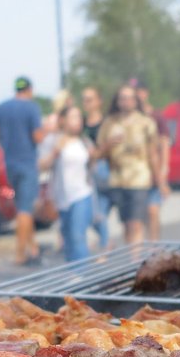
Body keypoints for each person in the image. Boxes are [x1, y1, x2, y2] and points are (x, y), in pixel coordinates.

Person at [96, 84, 165, 245]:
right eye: (122, 98)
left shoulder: (146, 123)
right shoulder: (110, 123)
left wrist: (160, 181)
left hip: (139, 178)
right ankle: (132, 257)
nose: (126, 102)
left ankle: (136, 261)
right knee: (127, 224)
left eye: (129, 98)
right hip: (118, 179)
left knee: (136, 223)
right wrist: (108, 145)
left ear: (135, 100)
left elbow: (153, 154)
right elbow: (98, 153)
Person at [0, 76, 45, 264]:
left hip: (10, 165)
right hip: (27, 164)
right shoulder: (32, 108)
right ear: (29, 90)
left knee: (22, 205)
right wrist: (46, 131)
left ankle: (33, 247)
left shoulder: (1, 108)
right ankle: (20, 254)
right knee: (25, 210)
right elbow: (37, 137)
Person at [38, 106, 94, 262]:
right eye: (73, 117)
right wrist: (55, 152)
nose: (78, 121)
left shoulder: (84, 140)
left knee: (78, 235)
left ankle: (82, 276)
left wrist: (94, 156)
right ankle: (72, 274)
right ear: (63, 120)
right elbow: (42, 166)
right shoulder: (53, 140)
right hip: (61, 197)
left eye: (79, 117)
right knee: (67, 237)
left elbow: (91, 167)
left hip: (81, 194)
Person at [134, 79, 171, 241]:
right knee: (137, 217)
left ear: (145, 92)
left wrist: (163, 170)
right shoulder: (130, 118)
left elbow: (164, 143)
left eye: (139, 91)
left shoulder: (155, 116)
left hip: (153, 171)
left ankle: (154, 245)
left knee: (153, 211)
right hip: (136, 173)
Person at [81, 87, 110, 251]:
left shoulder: (106, 122)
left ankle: (105, 245)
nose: (87, 103)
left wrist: (98, 153)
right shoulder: (82, 123)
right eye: (84, 99)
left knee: (99, 212)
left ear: (99, 101)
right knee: (96, 213)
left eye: (90, 99)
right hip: (88, 170)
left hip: (104, 169)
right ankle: (105, 244)